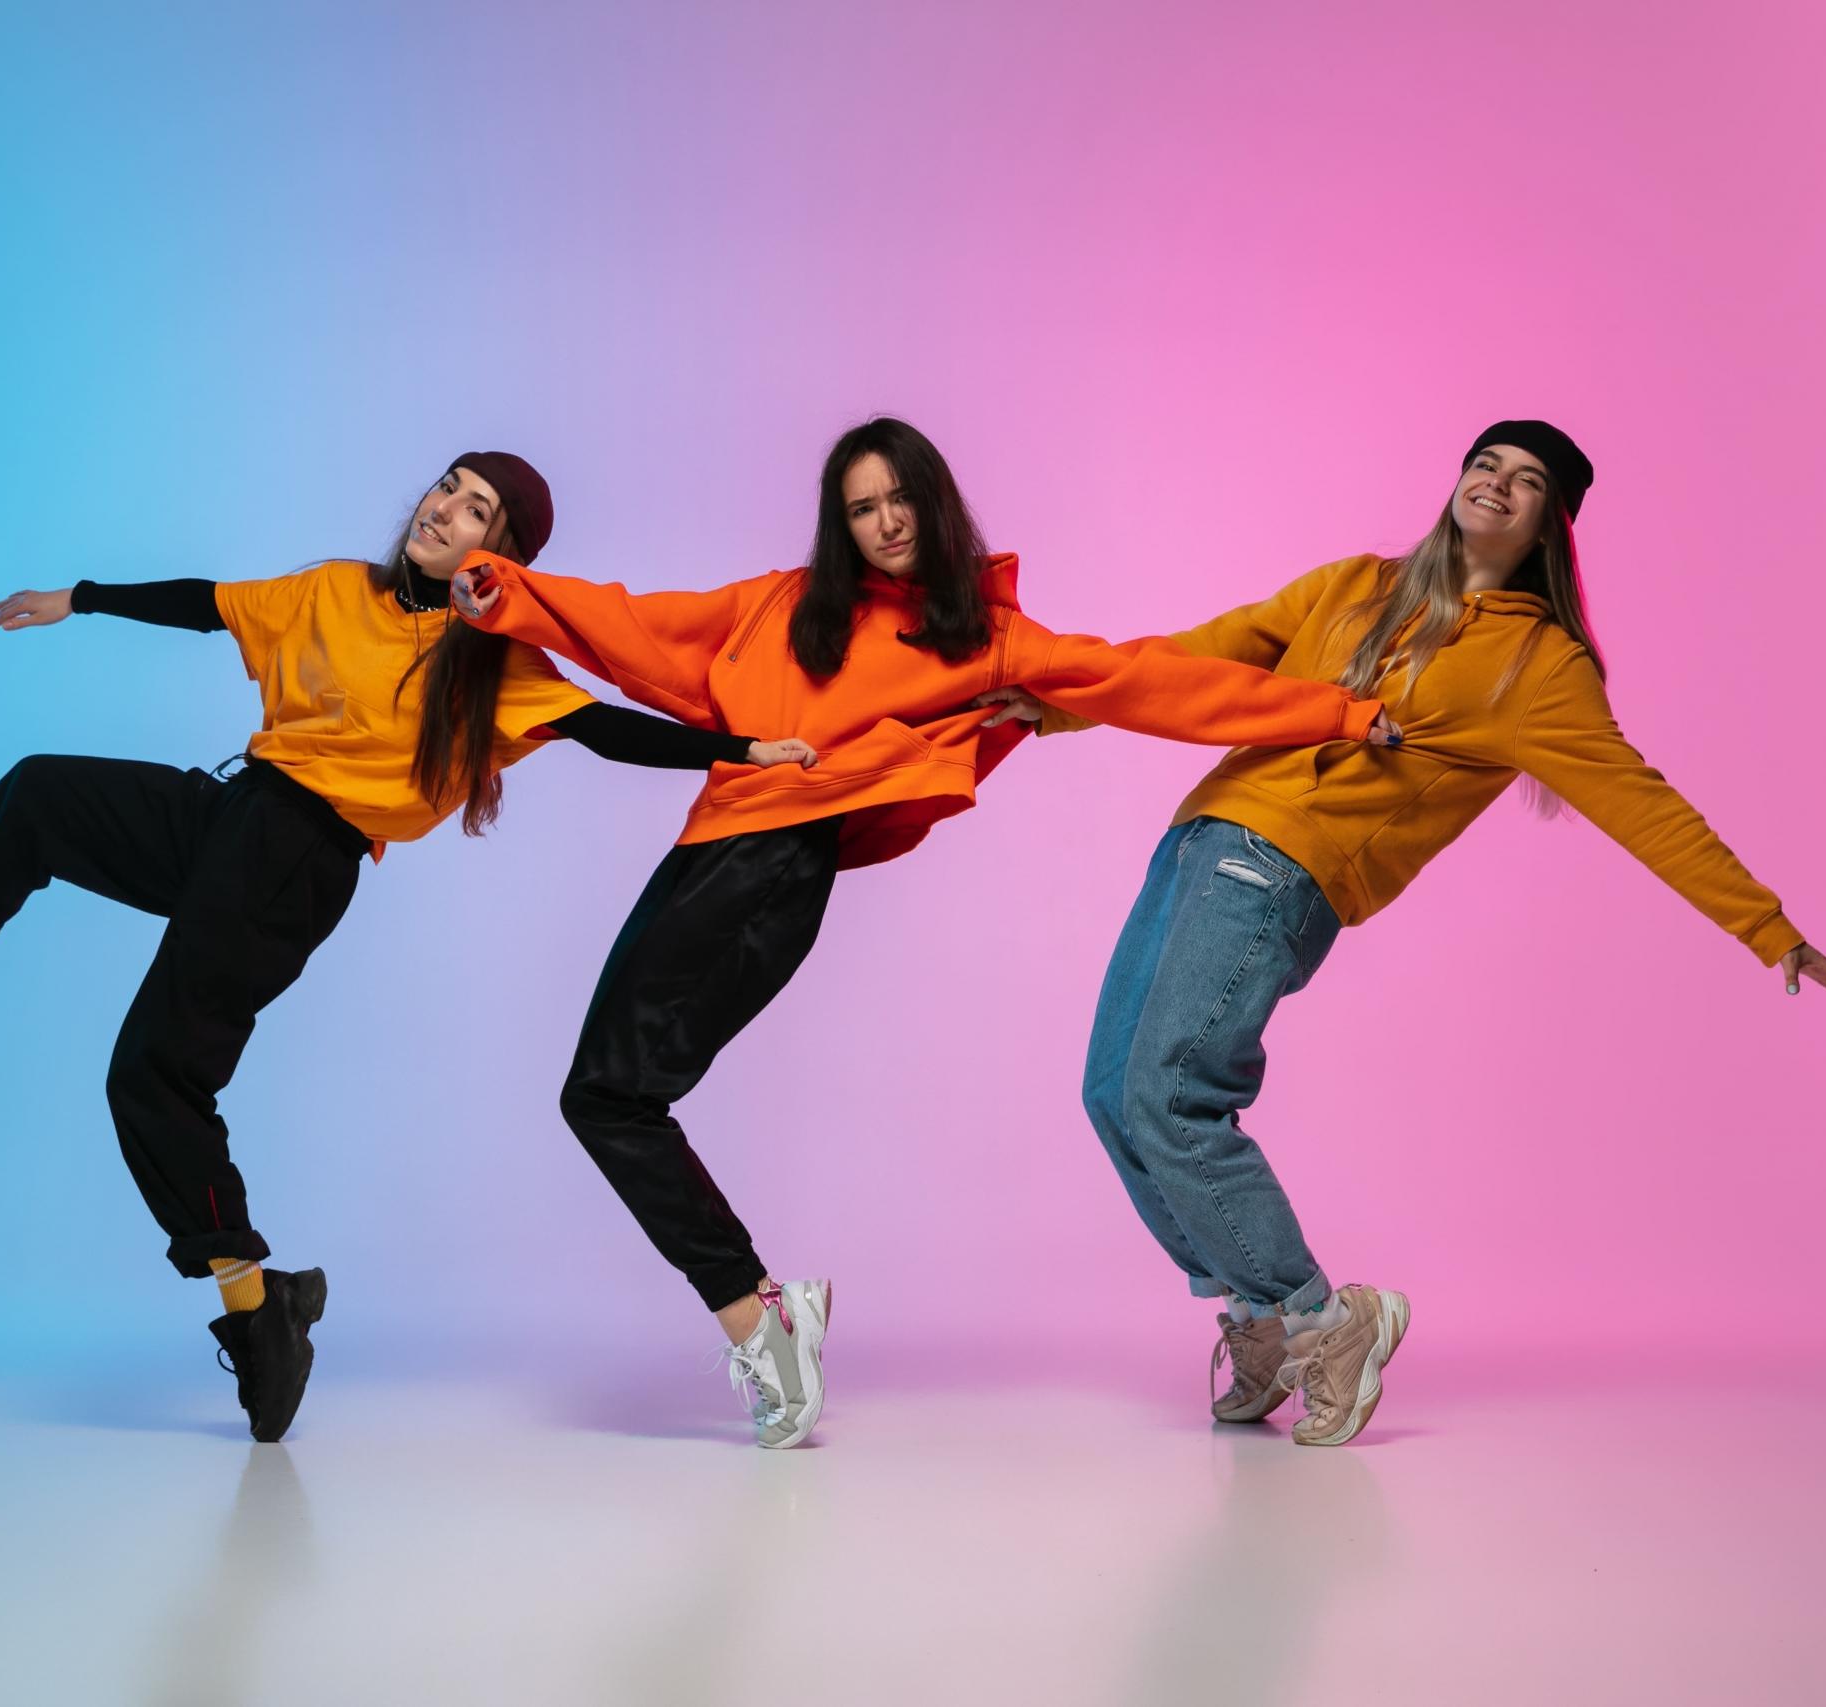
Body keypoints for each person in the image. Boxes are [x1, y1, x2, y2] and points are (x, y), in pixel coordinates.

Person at [0, 452, 816, 1441]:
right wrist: (76, 597)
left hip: (297, 859)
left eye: (477, 513)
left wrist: (739, 751)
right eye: (447, 489)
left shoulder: (494, 663)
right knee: (37, 794)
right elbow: (209, 601)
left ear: (498, 557)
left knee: (153, 1075)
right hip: (228, 813)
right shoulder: (336, 591)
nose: (445, 511)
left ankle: (259, 1310)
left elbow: (605, 728)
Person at [451, 417, 1397, 1447]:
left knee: (606, 1095)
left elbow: (1152, 684)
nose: (885, 522)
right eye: (861, 509)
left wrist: (1338, 717)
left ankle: (758, 1315)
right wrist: (512, 591)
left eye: (899, 500)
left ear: (933, 502)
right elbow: (643, 628)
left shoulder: (983, 641)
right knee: (610, 1094)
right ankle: (761, 1310)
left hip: (769, 871)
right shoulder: (783, 604)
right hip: (707, 856)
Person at [980, 419, 1826, 1446]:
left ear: (1550, 523)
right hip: (1194, 843)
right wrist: (1052, 703)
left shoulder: (1538, 666)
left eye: (1525, 480)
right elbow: (1192, 660)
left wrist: (1768, 930)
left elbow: (1642, 802)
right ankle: (1262, 1318)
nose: (1495, 485)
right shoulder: (1354, 584)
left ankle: (1322, 1317)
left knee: (1170, 1096)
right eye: (1485, 464)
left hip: (1278, 871)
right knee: (1111, 1095)